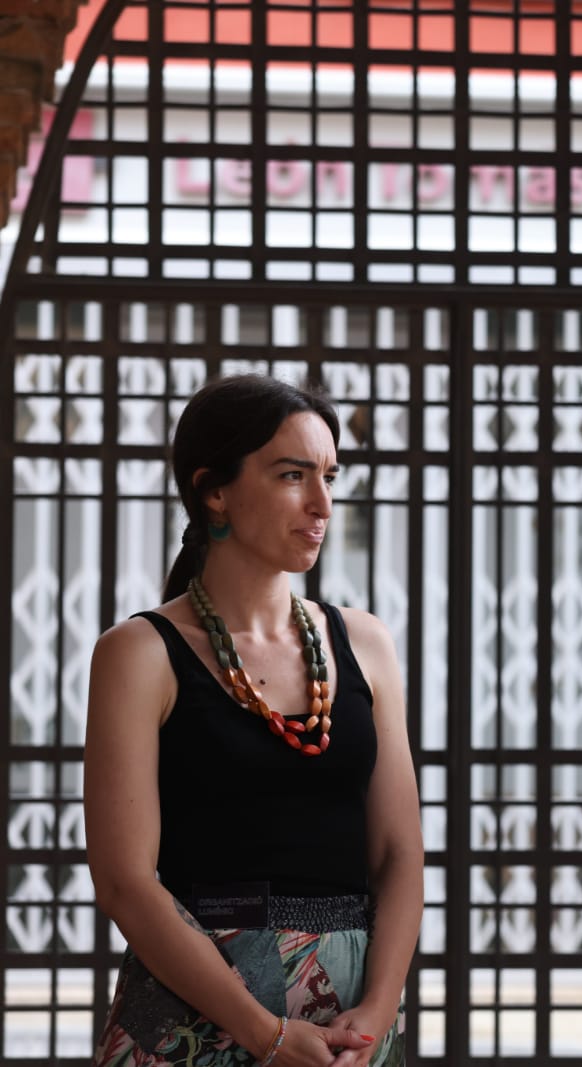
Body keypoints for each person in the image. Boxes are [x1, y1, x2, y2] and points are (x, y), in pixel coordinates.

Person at [85, 374, 423, 1066]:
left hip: (348, 1025)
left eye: (329, 475)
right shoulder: (138, 653)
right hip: (193, 1011)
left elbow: (399, 854)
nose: (323, 503)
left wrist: (379, 1009)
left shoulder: (365, 643)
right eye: (292, 475)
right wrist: (263, 1032)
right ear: (214, 490)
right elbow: (124, 878)